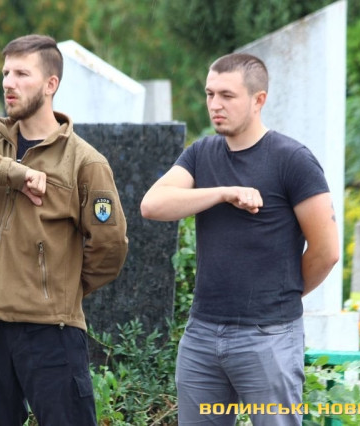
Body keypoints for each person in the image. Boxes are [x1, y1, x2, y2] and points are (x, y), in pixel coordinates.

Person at [0, 34, 128, 426]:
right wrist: (11, 172)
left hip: (51, 333)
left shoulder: (84, 162)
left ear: (51, 84)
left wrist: (59, 289)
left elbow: (110, 246)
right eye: (5, 73)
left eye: (21, 74)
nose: (8, 83)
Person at [140, 53, 339, 425]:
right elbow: (152, 205)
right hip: (201, 333)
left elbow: (326, 251)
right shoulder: (201, 154)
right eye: (210, 94)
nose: (215, 104)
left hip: (269, 336)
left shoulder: (292, 159)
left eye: (227, 95)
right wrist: (222, 192)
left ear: (258, 99)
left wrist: (281, 296)